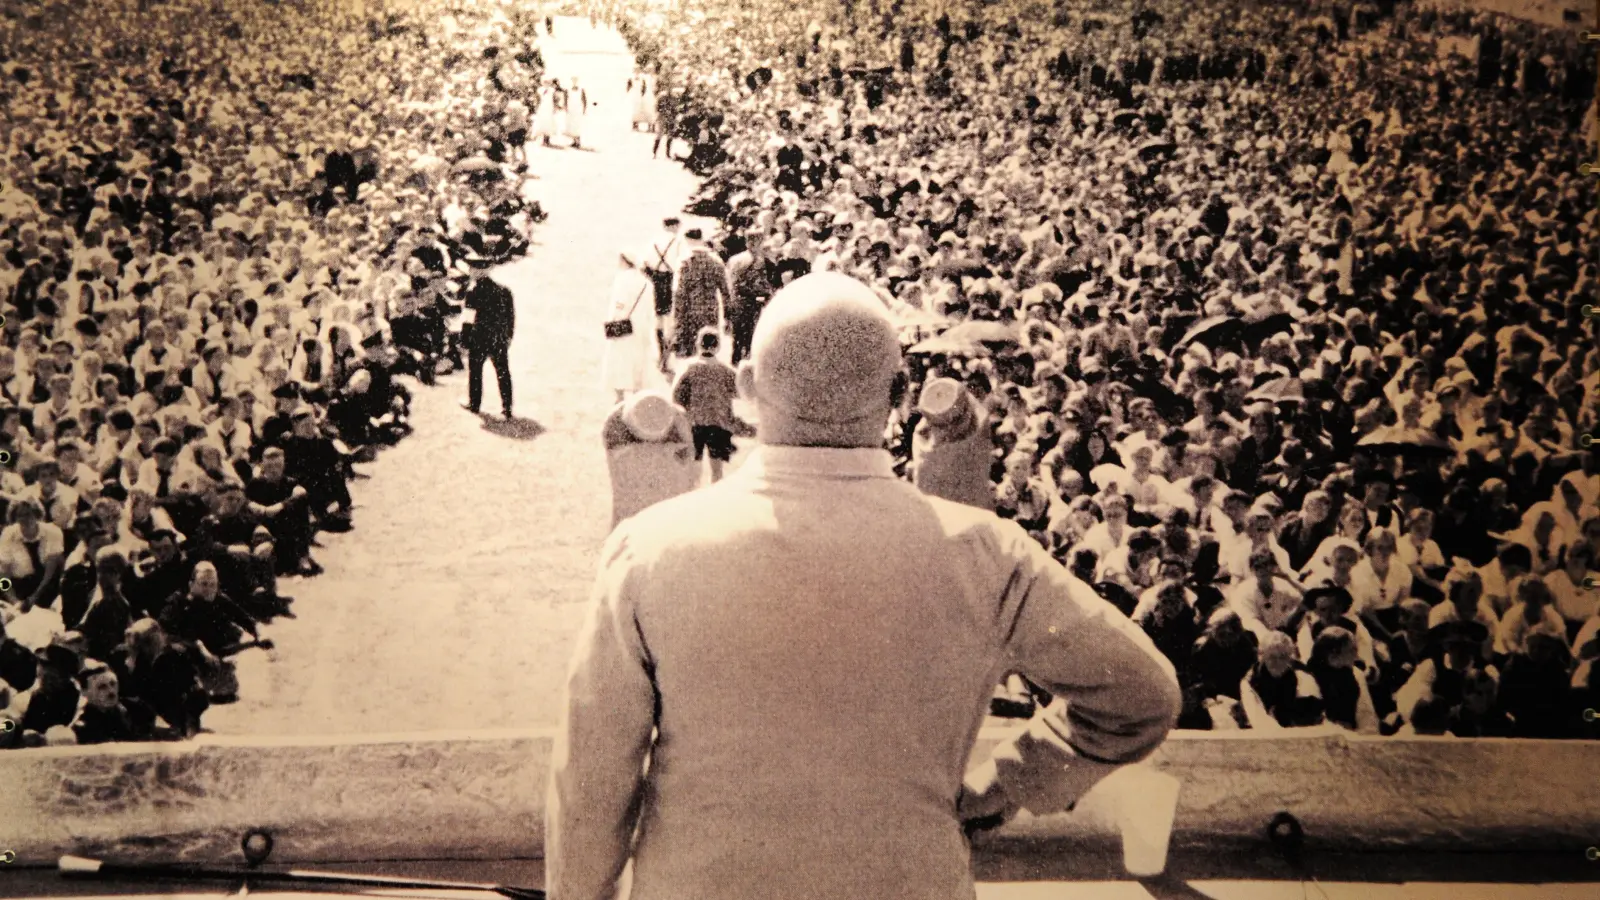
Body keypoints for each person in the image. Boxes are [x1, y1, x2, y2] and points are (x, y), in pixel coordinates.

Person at [547, 272, 1181, 900]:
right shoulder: (989, 553)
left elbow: (593, 781)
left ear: (745, 387)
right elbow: (1142, 696)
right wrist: (1007, 782)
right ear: (902, 392)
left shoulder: (649, 547)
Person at [671, 328, 738, 483]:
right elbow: (738, 389)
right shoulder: (725, 370)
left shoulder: (689, 368)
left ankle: (694, 497)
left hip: (695, 423)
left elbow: (676, 394)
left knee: (694, 467)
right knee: (717, 469)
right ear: (718, 346)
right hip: (719, 423)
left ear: (698, 344)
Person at [601, 252, 656, 403]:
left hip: (624, 325)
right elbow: (651, 310)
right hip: (641, 327)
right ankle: (637, 398)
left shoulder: (622, 279)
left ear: (625, 261)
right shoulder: (647, 283)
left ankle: (619, 398)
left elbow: (618, 303)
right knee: (638, 362)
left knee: (620, 361)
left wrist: (613, 320)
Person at [462, 275, 515, 419]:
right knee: (503, 372)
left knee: (475, 372)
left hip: (479, 339)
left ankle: (474, 404)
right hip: (498, 339)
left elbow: (468, 320)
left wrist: (465, 340)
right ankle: (507, 407)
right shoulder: (504, 291)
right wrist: (508, 336)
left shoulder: (473, 292)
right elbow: (510, 317)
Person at [671, 229, 729, 360]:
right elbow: (726, 292)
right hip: (710, 312)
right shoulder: (716, 261)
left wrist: (676, 322)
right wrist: (727, 316)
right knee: (708, 348)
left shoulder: (684, 262)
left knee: (690, 352)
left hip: (689, 313)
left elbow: (679, 294)